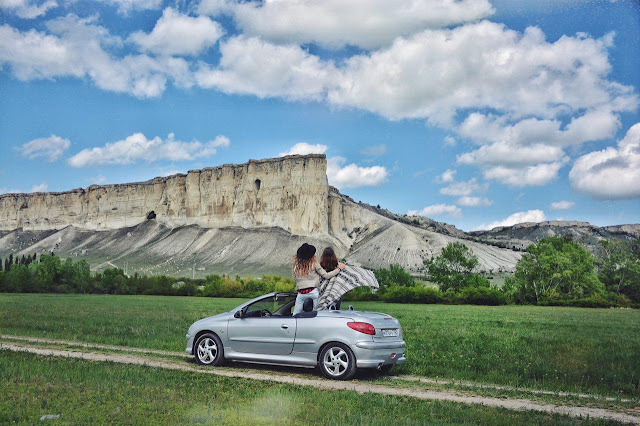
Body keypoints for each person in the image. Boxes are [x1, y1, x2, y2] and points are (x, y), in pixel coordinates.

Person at [292, 243, 345, 315]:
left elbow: (295, 279)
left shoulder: (296, 266)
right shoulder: (314, 264)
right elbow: (326, 276)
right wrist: (338, 269)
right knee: (317, 314)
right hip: (313, 292)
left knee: (295, 314)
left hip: (301, 293)